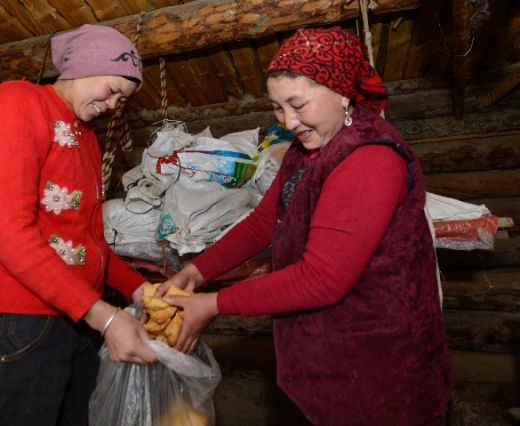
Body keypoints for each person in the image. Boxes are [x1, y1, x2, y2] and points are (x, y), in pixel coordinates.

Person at [160, 26, 452, 425]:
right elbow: (263, 222)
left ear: (342, 93)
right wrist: (195, 271)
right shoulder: (306, 150)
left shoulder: (370, 158)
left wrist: (213, 305)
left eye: (297, 104)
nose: (289, 121)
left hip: (378, 366)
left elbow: (322, 278)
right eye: (277, 108)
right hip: (328, 358)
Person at [0, 24, 157, 426]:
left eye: (122, 99)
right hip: (22, 322)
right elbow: (8, 233)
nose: (113, 105)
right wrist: (105, 317)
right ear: (86, 64)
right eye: (113, 90)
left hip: (78, 321)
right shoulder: (19, 101)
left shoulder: (87, 138)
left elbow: (91, 245)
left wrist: (141, 289)